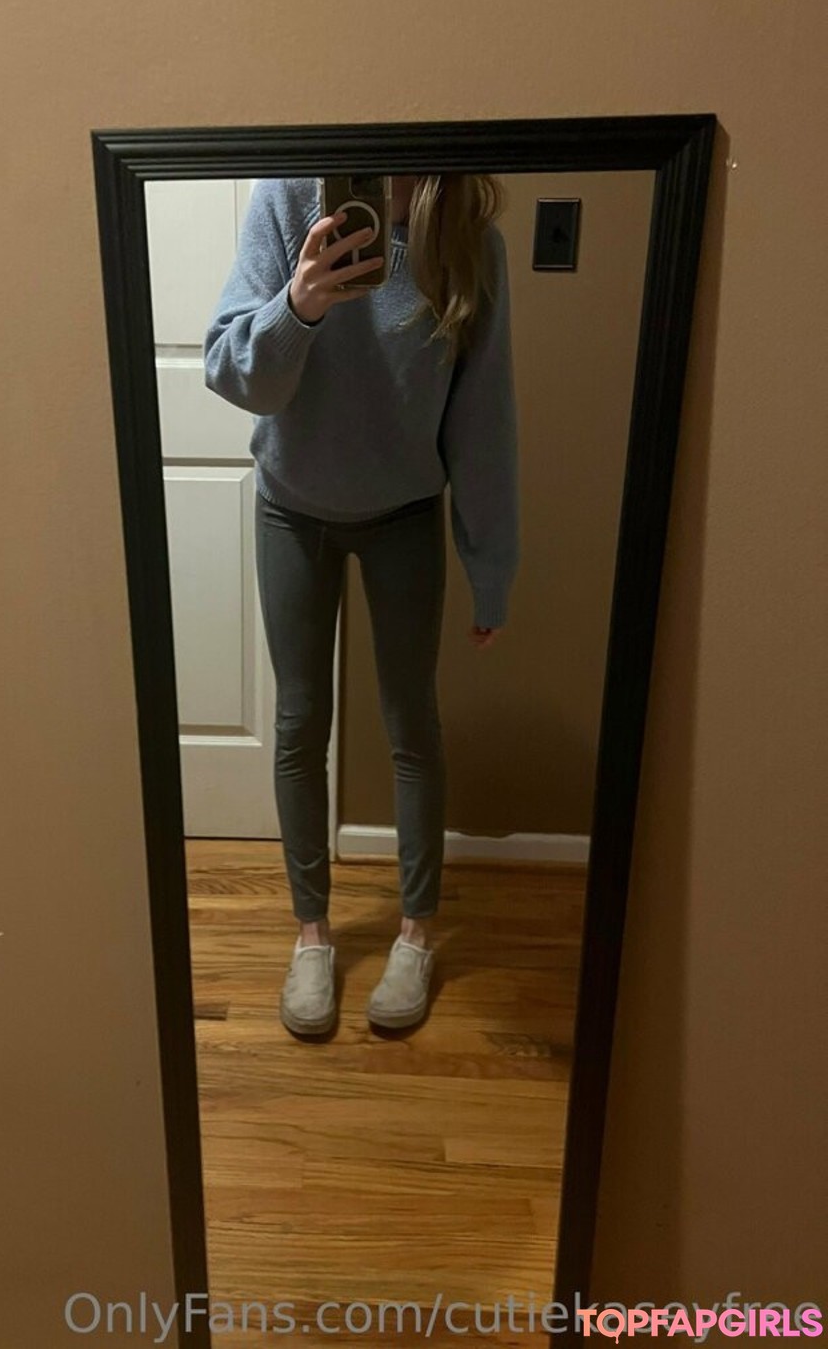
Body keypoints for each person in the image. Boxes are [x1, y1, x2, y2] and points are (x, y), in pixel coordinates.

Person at [203, 174, 519, 1037]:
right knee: (299, 721)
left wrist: (491, 565)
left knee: (412, 722)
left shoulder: (468, 239)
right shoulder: (289, 200)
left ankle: (416, 933)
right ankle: (312, 936)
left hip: (405, 513)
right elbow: (231, 370)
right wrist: (298, 305)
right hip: (291, 506)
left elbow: (484, 419)